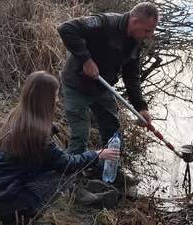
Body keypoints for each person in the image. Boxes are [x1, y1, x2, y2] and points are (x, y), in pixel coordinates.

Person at [0, 71, 120, 225]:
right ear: (45, 100)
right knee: (66, 177)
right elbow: (68, 164)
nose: (57, 100)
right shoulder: (38, 135)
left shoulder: (18, 116)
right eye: (55, 96)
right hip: (2, 195)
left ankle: (14, 212)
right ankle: (23, 215)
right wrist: (97, 154)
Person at [57, 2, 158, 154]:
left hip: (102, 88)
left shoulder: (136, 41)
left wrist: (141, 107)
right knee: (80, 137)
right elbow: (66, 28)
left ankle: (106, 170)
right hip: (76, 85)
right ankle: (71, 173)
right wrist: (86, 60)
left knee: (113, 132)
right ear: (135, 21)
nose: (149, 35)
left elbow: (131, 76)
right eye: (147, 30)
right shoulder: (105, 23)